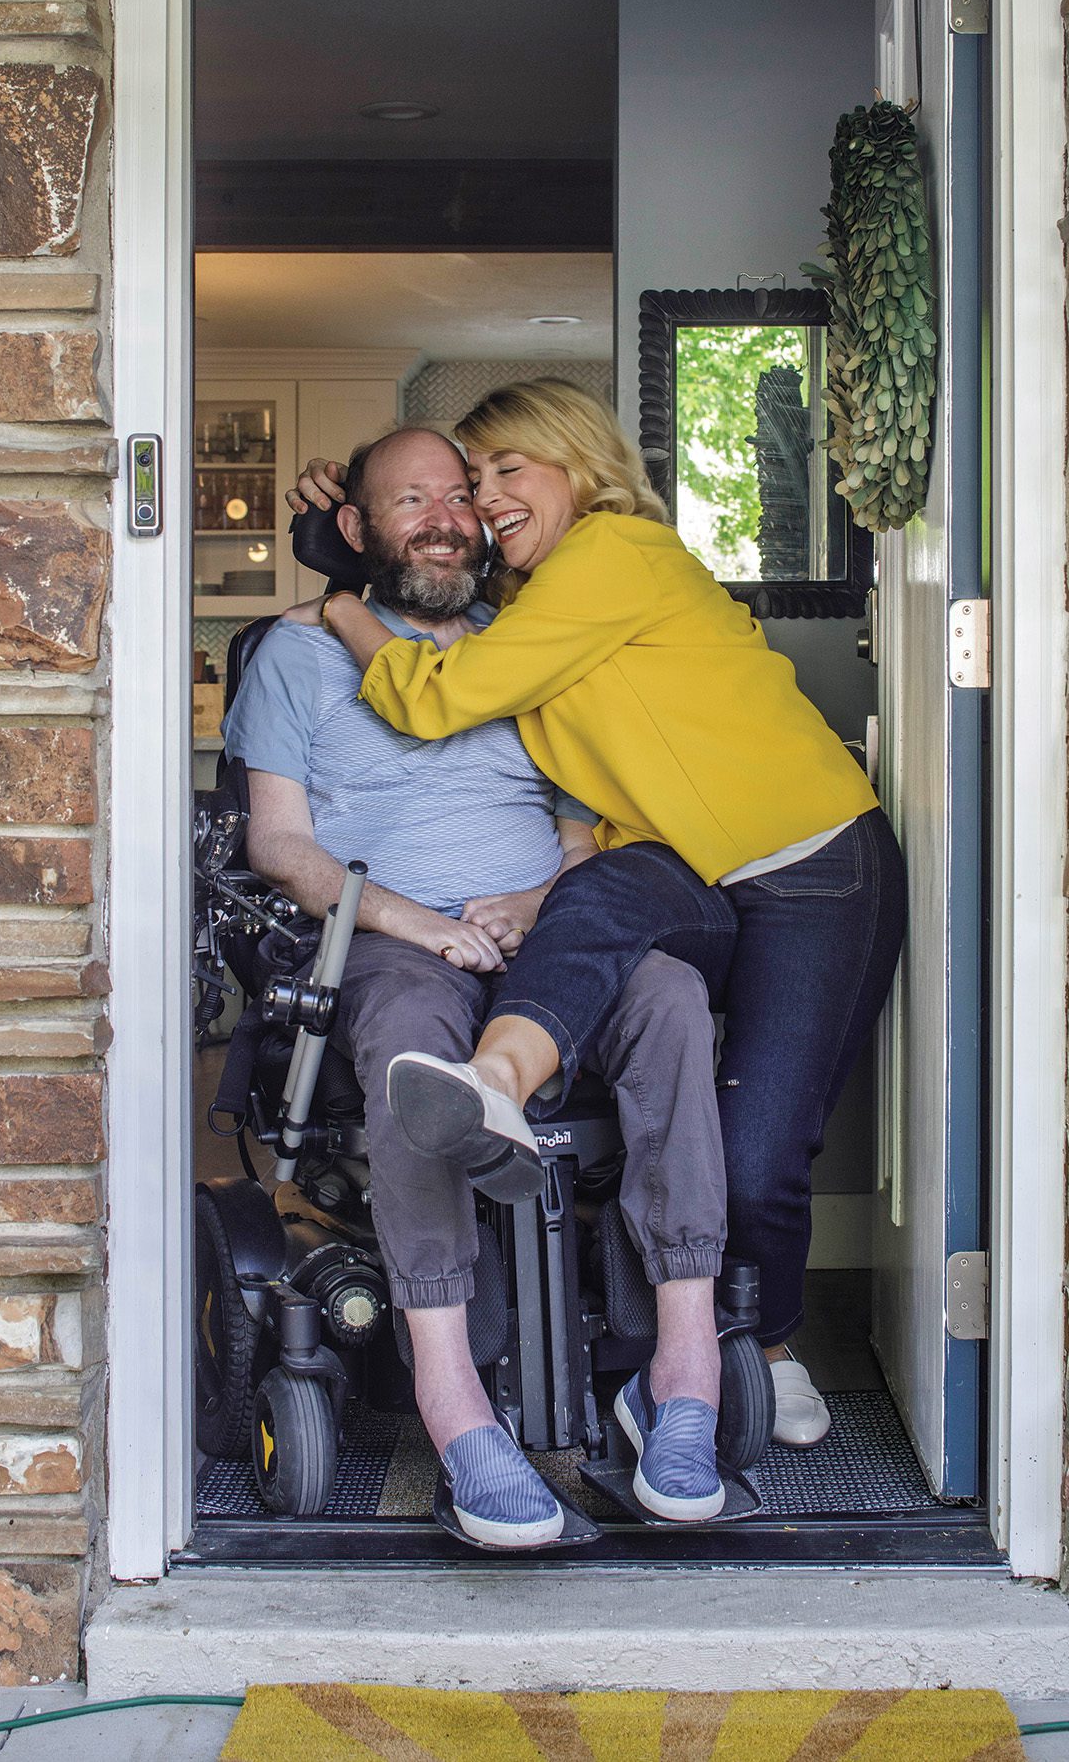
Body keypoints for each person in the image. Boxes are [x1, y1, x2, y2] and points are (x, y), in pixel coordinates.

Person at [291, 381, 908, 1451]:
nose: (486, 502)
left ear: (578, 463)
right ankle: (494, 1084)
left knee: (762, 1149)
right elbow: (447, 598)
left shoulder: (614, 556)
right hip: (693, 872)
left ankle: (761, 1346)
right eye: (472, 487)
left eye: (505, 472)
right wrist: (352, 515)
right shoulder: (531, 609)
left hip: (812, 867)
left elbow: (432, 695)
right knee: (597, 892)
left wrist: (339, 601)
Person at [226, 425, 732, 1548]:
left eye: (458, 495)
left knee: (669, 999)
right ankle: (455, 1406)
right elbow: (280, 847)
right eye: (412, 500)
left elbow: (582, 830)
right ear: (355, 528)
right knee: (415, 1042)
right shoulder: (298, 654)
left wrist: (542, 908)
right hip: (390, 932)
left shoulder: (526, 644)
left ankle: (682, 1371)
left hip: (547, 931)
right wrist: (420, 924)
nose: (447, 517)